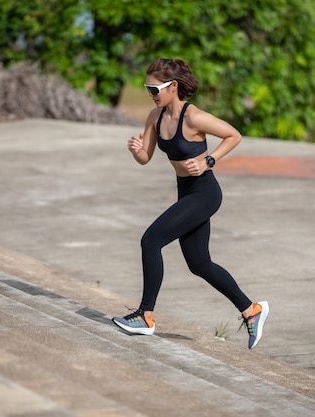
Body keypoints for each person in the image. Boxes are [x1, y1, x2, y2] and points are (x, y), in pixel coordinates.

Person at [112, 58, 269, 349]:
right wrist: (135, 150)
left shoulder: (193, 116)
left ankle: (145, 316)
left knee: (151, 240)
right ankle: (251, 310)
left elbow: (234, 134)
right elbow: (145, 158)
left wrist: (208, 160)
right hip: (186, 192)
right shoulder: (155, 117)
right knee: (199, 264)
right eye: (147, 88)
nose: (150, 93)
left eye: (154, 88)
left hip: (205, 193)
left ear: (172, 87)